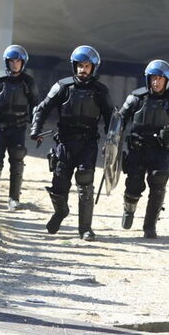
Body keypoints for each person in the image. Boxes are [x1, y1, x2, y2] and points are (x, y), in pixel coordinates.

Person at [31, 45, 112, 239]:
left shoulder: (100, 91)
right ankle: (60, 212)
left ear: (94, 68)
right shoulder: (62, 86)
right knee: (59, 183)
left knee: (85, 181)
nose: (83, 69)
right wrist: (36, 129)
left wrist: (112, 142)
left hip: (88, 143)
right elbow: (42, 108)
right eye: (80, 65)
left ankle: (85, 228)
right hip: (65, 143)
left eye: (87, 66)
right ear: (74, 66)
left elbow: (112, 119)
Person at [118, 60, 169, 238]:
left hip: (160, 150)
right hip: (137, 148)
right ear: (148, 79)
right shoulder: (136, 97)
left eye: (160, 79)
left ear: (167, 81)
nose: (156, 82)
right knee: (134, 185)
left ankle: (150, 227)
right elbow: (119, 120)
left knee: (158, 183)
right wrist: (113, 138)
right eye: (153, 78)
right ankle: (129, 209)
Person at [0, 45, 38, 212]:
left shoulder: (28, 82)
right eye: (12, 61)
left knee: (17, 162)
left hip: (18, 128)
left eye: (18, 61)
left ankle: (14, 197)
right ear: (7, 62)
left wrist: (36, 127)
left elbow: (35, 105)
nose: (15, 64)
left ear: (23, 62)